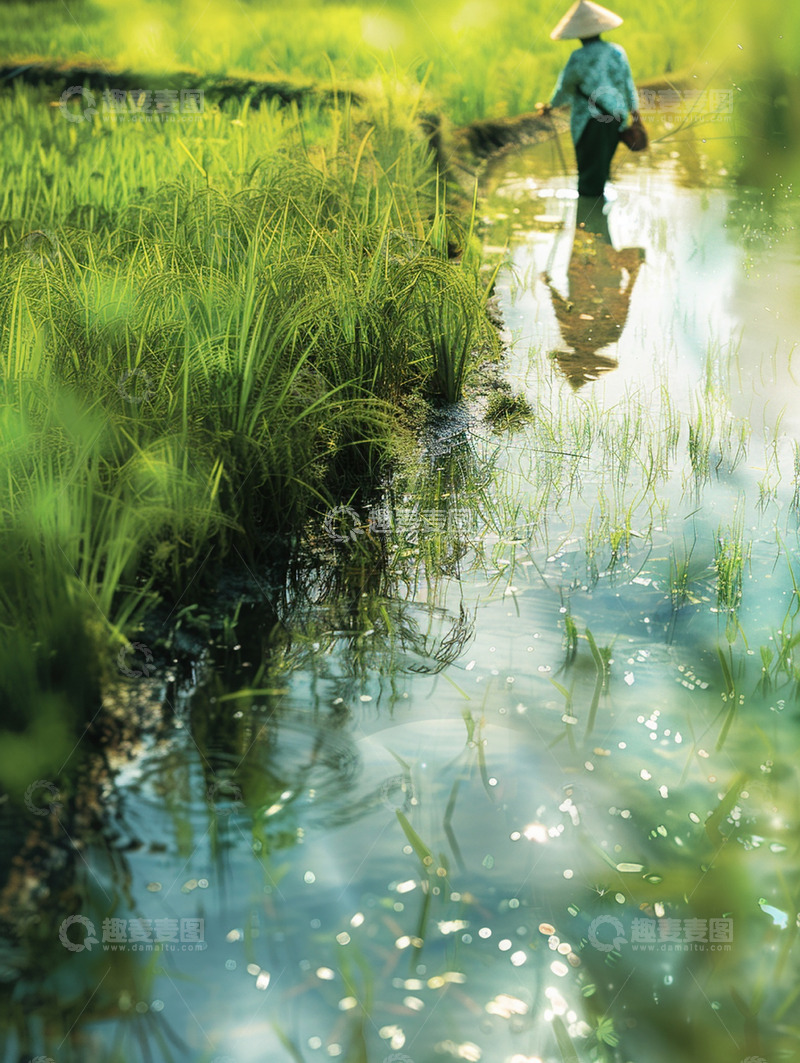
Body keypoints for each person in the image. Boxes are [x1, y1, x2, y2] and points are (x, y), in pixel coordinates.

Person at [540, 197, 645, 388]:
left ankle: (595, 198)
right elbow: (623, 302)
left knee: (592, 228)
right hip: (593, 273)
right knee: (592, 228)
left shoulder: (602, 337)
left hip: (594, 274)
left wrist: (549, 286)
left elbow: (561, 307)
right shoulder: (580, 336)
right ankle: (596, 198)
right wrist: (549, 286)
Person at [538, 0, 639, 198]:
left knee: (589, 173)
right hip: (616, 120)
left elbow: (565, 88)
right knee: (600, 168)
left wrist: (550, 106)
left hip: (590, 121)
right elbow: (628, 86)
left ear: (578, 33)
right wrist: (636, 116)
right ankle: (597, 219)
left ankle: (586, 223)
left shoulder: (578, 57)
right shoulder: (617, 52)